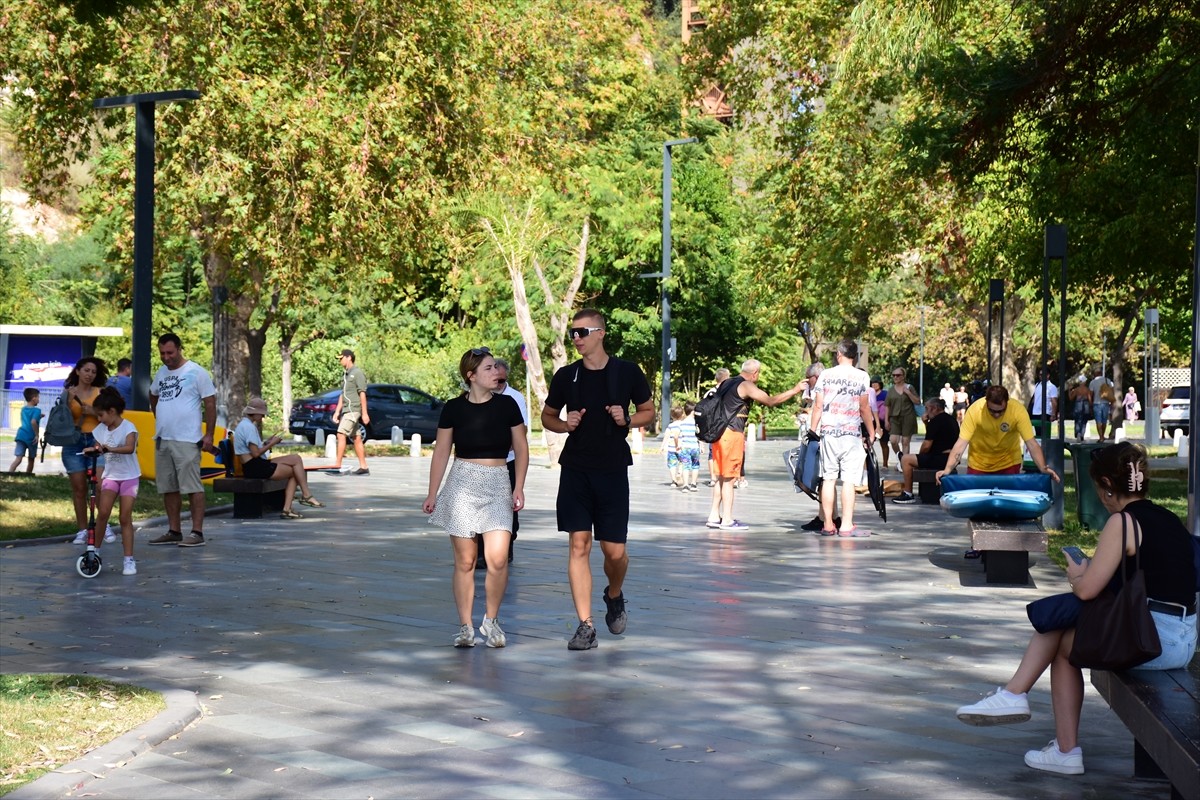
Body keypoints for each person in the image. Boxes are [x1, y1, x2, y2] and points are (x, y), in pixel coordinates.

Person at [955, 442, 1196, 776]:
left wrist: (1077, 575)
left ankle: (1048, 731)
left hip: (1156, 641)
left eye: (1098, 488)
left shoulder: (1123, 523)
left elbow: (1087, 591)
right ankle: (1019, 701)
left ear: (1108, 487)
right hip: (1182, 637)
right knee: (1064, 633)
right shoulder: (1167, 518)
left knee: (1064, 640)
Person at [541, 309, 655, 651]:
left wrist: (628, 419)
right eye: (572, 334)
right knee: (578, 545)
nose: (576, 338)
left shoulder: (627, 372)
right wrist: (565, 424)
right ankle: (585, 625)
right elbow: (547, 416)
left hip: (612, 470)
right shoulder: (566, 376)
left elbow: (649, 411)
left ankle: (614, 594)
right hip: (575, 469)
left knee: (615, 552)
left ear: (601, 333)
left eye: (582, 332)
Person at [426, 347, 528, 648]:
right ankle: (465, 626)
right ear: (471, 376)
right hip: (462, 483)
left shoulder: (508, 405)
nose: (496, 371)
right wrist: (433, 492)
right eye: (488, 368)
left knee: (497, 559)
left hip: (498, 482)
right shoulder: (453, 408)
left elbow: (521, 448)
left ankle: (491, 621)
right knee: (466, 561)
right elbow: (442, 451)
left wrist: (518, 486)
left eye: (496, 366)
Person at [707, 359, 805, 532]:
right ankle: (727, 520)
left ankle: (714, 516)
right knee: (729, 479)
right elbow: (770, 401)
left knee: (720, 477)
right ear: (755, 373)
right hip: (732, 434)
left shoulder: (727, 382)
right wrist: (795, 390)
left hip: (718, 434)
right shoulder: (746, 385)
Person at [147, 333, 217, 548]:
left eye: (170, 352)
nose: (166, 357)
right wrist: (160, 417)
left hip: (187, 439)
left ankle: (197, 532)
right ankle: (174, 530)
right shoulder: (161, 372)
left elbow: (211, 403)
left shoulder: (196, 372)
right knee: (168, 487)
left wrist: (209, 435)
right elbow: (153, 394)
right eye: (162, 353)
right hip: (164, 438)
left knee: (192, 486)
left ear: (179, 348)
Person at [809, 340, 876, 536]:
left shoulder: (826, 375)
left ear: (839, 354)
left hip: (829, 432)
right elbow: (864, 407)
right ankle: (846, 525)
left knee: (828, 478)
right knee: (849, 480)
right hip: (851, 434)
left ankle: (828, 524)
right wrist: (871, 431)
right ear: (855, 356)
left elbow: (818, 406)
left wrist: (813, 431)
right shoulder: (862, 376)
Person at [936, 386, 1061, 483]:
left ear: (1007, 402)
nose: (996, 415)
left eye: (1000, 411)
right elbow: (961, 443)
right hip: (979, 465)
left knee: (1008, 510)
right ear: (986, 402)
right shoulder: (974, 411)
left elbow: (1032, 444)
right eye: (991, 410)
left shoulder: (1017, 410)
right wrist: (947, 469)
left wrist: (1043, 468)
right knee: (979, 511)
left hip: (1009, 464)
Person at [476, 357, 528, 570]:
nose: (497, 383)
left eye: (501, 379)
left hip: (508, 462)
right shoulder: (478, 397)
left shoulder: (515, 398)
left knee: (508, 506)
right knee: (480, 506)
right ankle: (480, 552)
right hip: (482, 462)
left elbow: (521, 432)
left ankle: (507, 548)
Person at [234, 397, 325, 520]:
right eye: (261, 414)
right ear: (254, 413)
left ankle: (302, 498)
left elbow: (252, 450)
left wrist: (267, 442)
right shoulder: (249, 427)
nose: (263, 417)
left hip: (254, 464)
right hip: (255, 466)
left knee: (296, 459)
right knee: (295, 472)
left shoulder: (244, 425)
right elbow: (255, 454)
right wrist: (273, 443)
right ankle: (298, 501)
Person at [86, 387, 141, 576]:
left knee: (125, 517)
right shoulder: (101, 429)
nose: (99, 419)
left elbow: (129, 448)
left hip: (129, 477)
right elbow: (98, 445)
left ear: (111, 411)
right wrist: (95, 449)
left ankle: (129, 559)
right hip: (111, 476)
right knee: (102, 514)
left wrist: (109, 449)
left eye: (101, 415)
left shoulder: (128, 427)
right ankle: (95, 552)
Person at [64, 357, 116, 546]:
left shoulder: (100, 393)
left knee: (101, 486)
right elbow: (61, 420)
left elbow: (113, 417)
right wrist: (67, 404)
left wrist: (93, 412)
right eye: (86, 370)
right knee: (79, 489)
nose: (89, 375)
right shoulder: (68, 393)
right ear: (78, 371)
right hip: (74, 442)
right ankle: (82, 530)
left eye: (93, 372)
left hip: (96, 440)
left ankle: (104, 524)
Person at [799, 362, 842, 533]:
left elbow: (818, 409)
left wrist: (812, 431)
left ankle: (827, 519)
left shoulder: (823, 388)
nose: (806, 382)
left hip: (823, 437)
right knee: (825, 480)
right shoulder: (831, 387)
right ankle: (829, 516)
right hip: (828, 436)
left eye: (808, 379)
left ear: (816, 377)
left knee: (824, 478)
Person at [893, 397, 959, 504]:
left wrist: (919, 457)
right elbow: (938, 436)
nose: (926, 412)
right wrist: (926, 423)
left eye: (927, 408)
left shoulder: (935, 421)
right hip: (950, 458)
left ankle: (908, 493)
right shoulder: (951, 420)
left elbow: (926, 446)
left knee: (906, 459)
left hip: (940, 458)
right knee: (912, 459)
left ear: (934, 408)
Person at [330, 349, 370, 475]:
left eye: (341, 358)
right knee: (356, 438)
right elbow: (343, 395)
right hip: (347, 410)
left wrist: (364, 413)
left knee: (341, 434)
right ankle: (364, 467)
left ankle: (337, 465)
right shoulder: (346, 375)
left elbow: (362, 393)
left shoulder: (357, 373)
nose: (339, 361)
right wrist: (337, 412)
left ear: (349, 358)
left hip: (354, 410)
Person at [884, 367, 920, 459]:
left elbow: (917, 401)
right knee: (893, 440)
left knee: (905, 441)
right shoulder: (891, 390)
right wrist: (886, 421)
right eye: (894, 375)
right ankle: (900, 456)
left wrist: (908, 393)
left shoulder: (909, 387)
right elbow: (887, 405)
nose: (895, 377)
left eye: (898, 375)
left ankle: (905, 463)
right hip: (894, 418)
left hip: (908, 417)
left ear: (903, 376)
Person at [705, 368, 731, 487]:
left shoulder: (709, 393)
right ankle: (726, 477)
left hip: (712, 428)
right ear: (726, 378)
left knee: (712, 453)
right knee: (727, 452)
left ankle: (713, 478)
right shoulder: (730, 392)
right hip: (727, 427)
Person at [8, 388, 41, 473]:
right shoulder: (37, 410)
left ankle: (10, 472)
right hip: (31, 437)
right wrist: (37, 434)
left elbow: (28, 417)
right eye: (38, 397)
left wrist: (39, 416)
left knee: (18, 458)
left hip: (21, 436)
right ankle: (28, 475)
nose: (39, 399)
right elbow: (33, 422)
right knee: (31, 459)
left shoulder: (23, 409)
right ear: (34, 398)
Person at [677, 400, 701, 492]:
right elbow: (699, 435)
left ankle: (685, 485)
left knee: (685, 466)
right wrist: (701, 446)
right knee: (695, 466)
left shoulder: (682, 423)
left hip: (685, 447)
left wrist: (679, 445)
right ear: (693, 411)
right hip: (694, 447)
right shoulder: (696, 423)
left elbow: (679, 435)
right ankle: (693, 484)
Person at [1088, 368, 1114, 442]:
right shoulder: (1107, 380)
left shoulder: (1093, 382)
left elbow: (1090, 394)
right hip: (1106, 403)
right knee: (1104, 421)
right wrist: (1112, 401)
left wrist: (1090, 404)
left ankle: (1101, 437)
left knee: (1098, 421)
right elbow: (1112, 390)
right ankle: (1103, 435)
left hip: (1096, 403)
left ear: (1095, 374)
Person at [871, 375, 890, 470]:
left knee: (884, 443)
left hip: (883, 421)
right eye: (872, 383)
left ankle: (885, 464)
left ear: (880, 384)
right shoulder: (869, 393)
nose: (874, 385)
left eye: (876, 383)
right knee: (869, 443)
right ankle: (869, 463)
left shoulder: (885, 394)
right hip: (871, 421)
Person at [664, 406, 684, 488]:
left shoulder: (670, 425)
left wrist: (662, 446)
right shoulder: (683, 425)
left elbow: (666, 436)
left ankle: (673, 481)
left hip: (671, 448)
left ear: (672, 416)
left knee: (672, 464)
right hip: (681, 447)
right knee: (682, 462)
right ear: (682, 415)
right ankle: (679, 473)